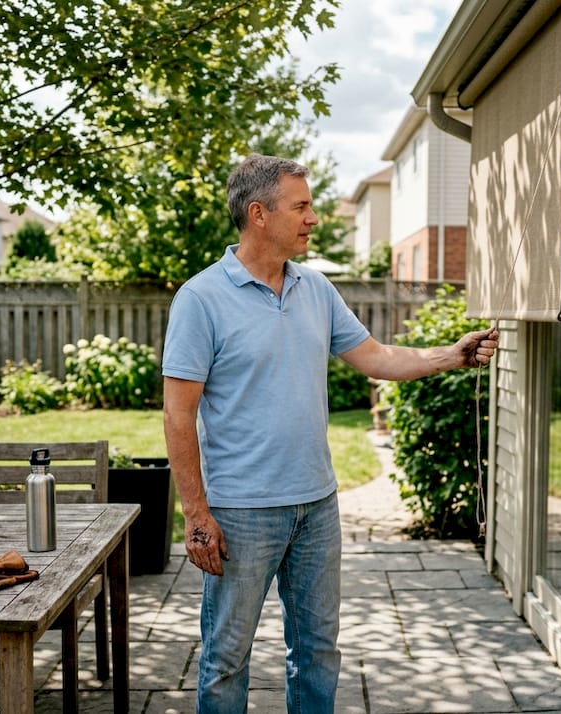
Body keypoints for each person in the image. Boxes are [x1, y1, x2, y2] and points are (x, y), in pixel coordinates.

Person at [161, 154, 498, 713]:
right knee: (226, 659)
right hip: (243, 512)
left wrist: (450, 356)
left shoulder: (315, 289)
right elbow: (178, 415)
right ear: (259, 214)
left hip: (316, 507)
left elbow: (374, 356)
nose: (314, 217)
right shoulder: (201, 300)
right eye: (302, 205)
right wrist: (197, 514)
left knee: (318, 651)